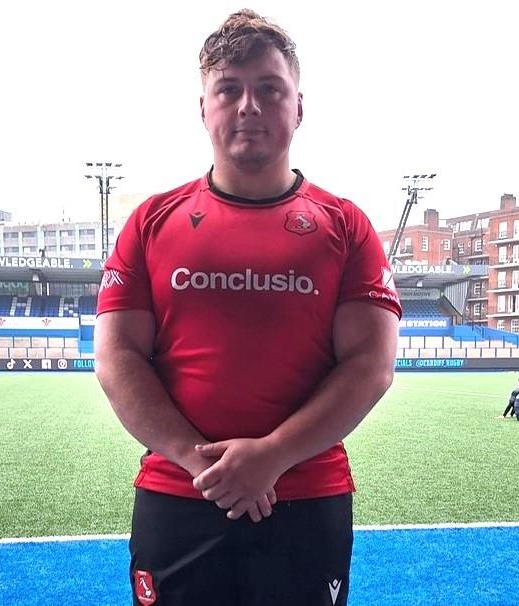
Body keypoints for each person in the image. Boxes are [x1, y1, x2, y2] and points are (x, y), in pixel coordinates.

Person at [94, 10, 401, 606]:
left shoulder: (346, 224)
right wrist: (200, 464)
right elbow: (117, 358)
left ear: (299, 106)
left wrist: (273, 456)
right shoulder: (152, 220)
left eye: (268, 88)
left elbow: (370, 365)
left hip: (305, 494)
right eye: (228, 89)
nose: (248, 106)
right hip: (179, 492)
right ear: (203, 106)